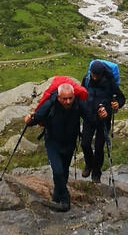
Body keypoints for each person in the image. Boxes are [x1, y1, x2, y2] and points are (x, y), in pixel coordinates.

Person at [24, 82, 86, 211]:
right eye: (64, 99)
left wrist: (103, 114)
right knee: (57, 171)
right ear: (58, 97)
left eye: (70, 98)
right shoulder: (50, 104)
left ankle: (56, 199)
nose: (68, 101)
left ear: (74, 96)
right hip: (53, 142)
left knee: (63, 173)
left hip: (70, 143)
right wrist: (29, 120)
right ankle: (65, 201)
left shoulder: (78, 104)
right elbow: (37, 117)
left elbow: (90, 116)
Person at [81, 60, 126, 183]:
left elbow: (121, 98)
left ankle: (96, 173)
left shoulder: (110, 82)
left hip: (103, 119)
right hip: (89, 116)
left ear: (102, 74)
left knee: (99, 147)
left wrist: (117, 104)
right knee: (84, 143)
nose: (94, 78)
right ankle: (89, 164)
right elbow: (81, 93)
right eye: (93, 75)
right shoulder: (86, 79)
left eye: (97, 75)